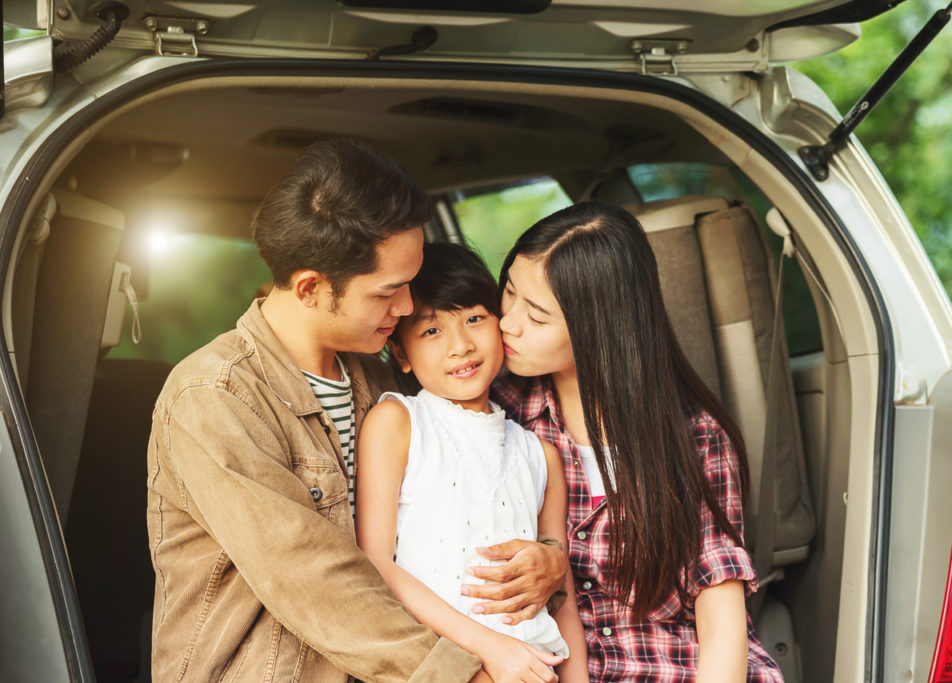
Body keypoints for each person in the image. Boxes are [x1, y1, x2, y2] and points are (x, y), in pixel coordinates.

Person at [146, 139, 563, 682]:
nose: (409, 308)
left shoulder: (378, 372)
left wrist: (552, 559)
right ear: (311, 288)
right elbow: (311, 576)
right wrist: (470, 674)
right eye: (389, 292)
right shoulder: (215, 396)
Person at [489, 201, 785, 682]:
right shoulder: (496, 412)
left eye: (537, 316)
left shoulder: (694, 435)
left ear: (599, 328)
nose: (508, 322)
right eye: (508, 293)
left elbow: (721, 614)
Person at [355, 243, 589, 683]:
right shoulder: (399, 423)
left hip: (540, 668)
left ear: (502, 324)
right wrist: (490, 651)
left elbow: (564, 599)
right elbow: (376, 565)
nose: (460, 345)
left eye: (474, 319)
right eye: (431, 332)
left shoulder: (541, 456)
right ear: (401, 355)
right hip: (445, 668)